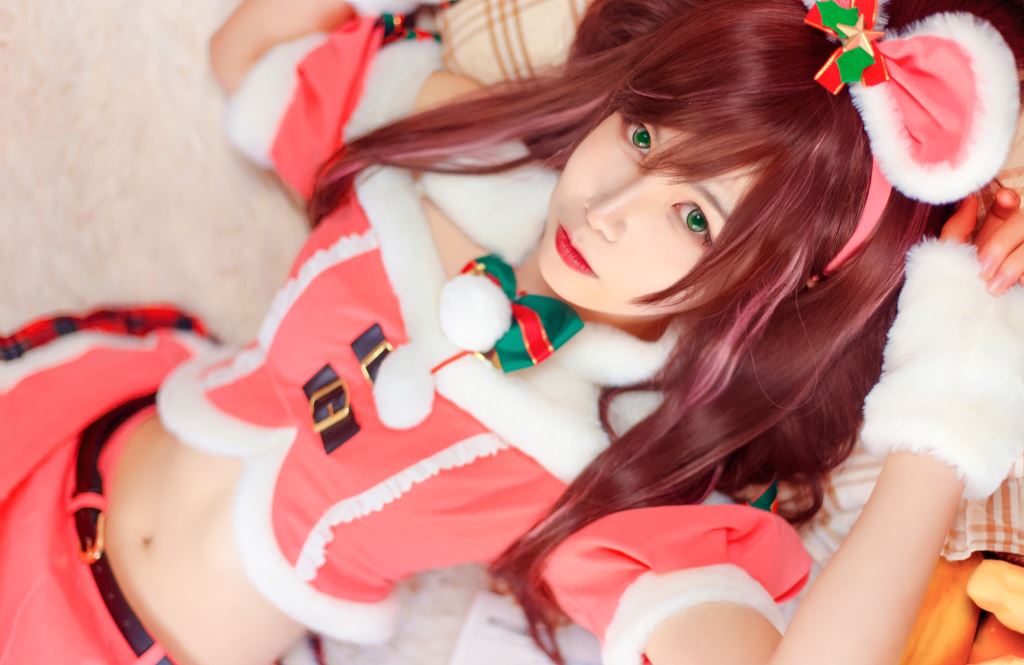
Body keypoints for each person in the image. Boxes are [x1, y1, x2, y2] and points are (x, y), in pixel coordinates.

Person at [2, 0, 1023, 664]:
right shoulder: (460, 140)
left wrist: (954, 382)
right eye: (641, 133)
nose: (612, 206)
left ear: (774, 285)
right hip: (51, 435)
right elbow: (248, 56)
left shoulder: (608, 477)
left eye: (694, 216)